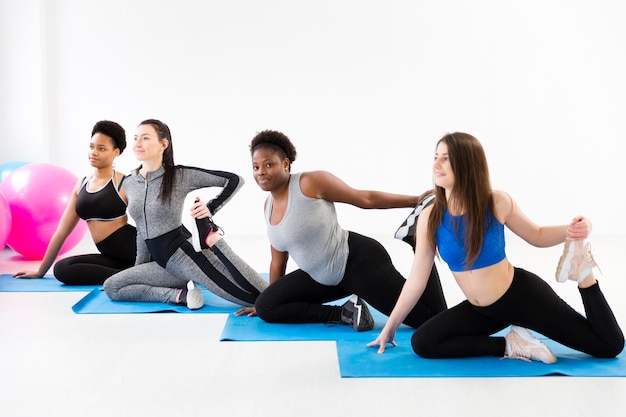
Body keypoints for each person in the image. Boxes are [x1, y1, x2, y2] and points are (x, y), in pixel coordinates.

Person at [368, 132, 624, 363]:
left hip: (523, 298)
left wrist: (574, 231)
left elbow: (536, 234)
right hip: (482, 310)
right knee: (423, 343)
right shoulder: (430, 216)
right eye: (436, 157)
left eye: (445, 158)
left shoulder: (496, 202)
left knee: (609, 345)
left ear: (467, 163)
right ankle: (511, 344)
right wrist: (390, 327)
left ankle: (583, 274)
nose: (436, 165)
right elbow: (416, 280)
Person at [236, 130, 447, 332]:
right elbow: (278, 261)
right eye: (255, 167)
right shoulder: (268, 206)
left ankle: (418, 240)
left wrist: (414, 201)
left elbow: (364, 199)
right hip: (323, 278)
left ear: (285, 164)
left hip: (358, 264)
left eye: (268, 164)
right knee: (265, 307)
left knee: (431, 318)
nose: (261, 172)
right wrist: (274, 297)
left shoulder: (309, 183)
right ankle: (346, 313)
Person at [103, 119, 268, 310]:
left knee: (255, 299)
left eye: (145, 138)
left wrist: (210, 209)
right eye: (135, 138)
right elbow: (141, 230)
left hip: (187, 258)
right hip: (164, 265)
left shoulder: (179, 176)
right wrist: (138, 270)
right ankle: (180, 296)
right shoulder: (130, 182)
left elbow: (234, 180)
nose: (138, 143)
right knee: (112, 287)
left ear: (163, 144)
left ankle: (210, 242)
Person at [14, 120, 137, 285]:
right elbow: (61, 232)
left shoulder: (124, 182)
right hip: (112, 257)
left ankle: (141, 273)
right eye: (92, 146)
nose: (94, 152)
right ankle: (134, 276)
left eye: (101, 149)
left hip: (133, 250)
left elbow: (150, 219)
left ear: (116, 152)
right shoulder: (82, 184)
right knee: (63, 269)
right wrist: (40, 271)